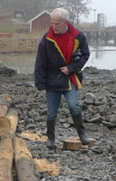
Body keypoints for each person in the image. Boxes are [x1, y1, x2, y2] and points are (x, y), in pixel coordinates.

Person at [34, 7, 91, 148]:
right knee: (51, 114)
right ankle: (51, 138)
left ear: (66, 22)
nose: (54, 26)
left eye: (57, 23)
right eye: (53, 23)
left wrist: (71, 68)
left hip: (70, 79)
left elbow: (85, 55)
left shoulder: (78, 36)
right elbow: (40, 61)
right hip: (52, 80)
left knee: (74, 107)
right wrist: (39, 81)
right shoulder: (47, 38)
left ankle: (82, 134)